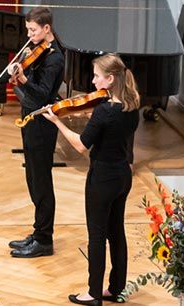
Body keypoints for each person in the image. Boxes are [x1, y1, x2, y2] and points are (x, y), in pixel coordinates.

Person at [44, 54, 140, 305]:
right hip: (122, 176)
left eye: (97, 76)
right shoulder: (131, 104)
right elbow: (109, 127)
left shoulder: (104, 112)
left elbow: (81, 146)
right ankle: (116, 288)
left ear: (110, 79)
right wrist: (87, 117)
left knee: (96, 235)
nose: (93, 80)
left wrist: (58, 122)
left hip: (102, 179)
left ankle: (93, 293)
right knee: (116, 233)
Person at [0, 7, 63, 258]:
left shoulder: (54, 58)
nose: (29, 34)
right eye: (28, 29)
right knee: (32, 178)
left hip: (42, 121)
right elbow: (19, 73)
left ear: (46, 29)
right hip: (29, 117)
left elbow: (43, 93)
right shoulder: (37, 51)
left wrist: (25, 80)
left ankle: (44, 240)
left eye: (33, 30)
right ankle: (38, 232)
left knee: (41, 181)